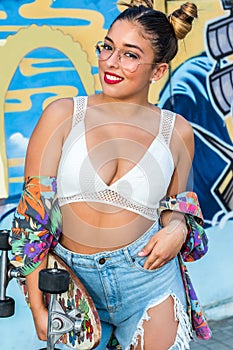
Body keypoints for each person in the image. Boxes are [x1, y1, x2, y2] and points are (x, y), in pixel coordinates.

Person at [9, 1, 211, 349]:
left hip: (149, 281)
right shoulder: (62, 115)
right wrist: (38, 305)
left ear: (158, 71)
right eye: (107, 47)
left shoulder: (176, 130)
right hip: (71, 286)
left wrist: (177, 228)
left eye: (130, 54)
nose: (111, 62)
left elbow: (178, 204)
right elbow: (32, 215)